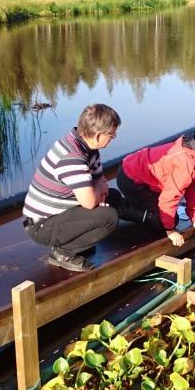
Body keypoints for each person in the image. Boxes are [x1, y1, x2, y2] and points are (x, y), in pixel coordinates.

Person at [22, 104, 122, 272]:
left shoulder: (89, 147)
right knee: (109, 218)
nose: (113, 138)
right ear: (98, 135)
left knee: (113, 197)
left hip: (61, 210)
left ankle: (76, 242)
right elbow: (90, 202)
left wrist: (98, 192)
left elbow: (100, 182)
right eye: (111, 135)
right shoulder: (72, 156)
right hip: (41, 225)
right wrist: (97, 193)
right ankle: (63, 253)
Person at [116, 135, 195, 247]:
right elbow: (168, 199)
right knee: (164, 220)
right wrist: (170, 231)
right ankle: (122, 209)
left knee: (168, 215)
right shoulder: (186, 163)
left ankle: (134, 204)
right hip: (130, 179)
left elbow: (194, 189)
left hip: (147, 180)